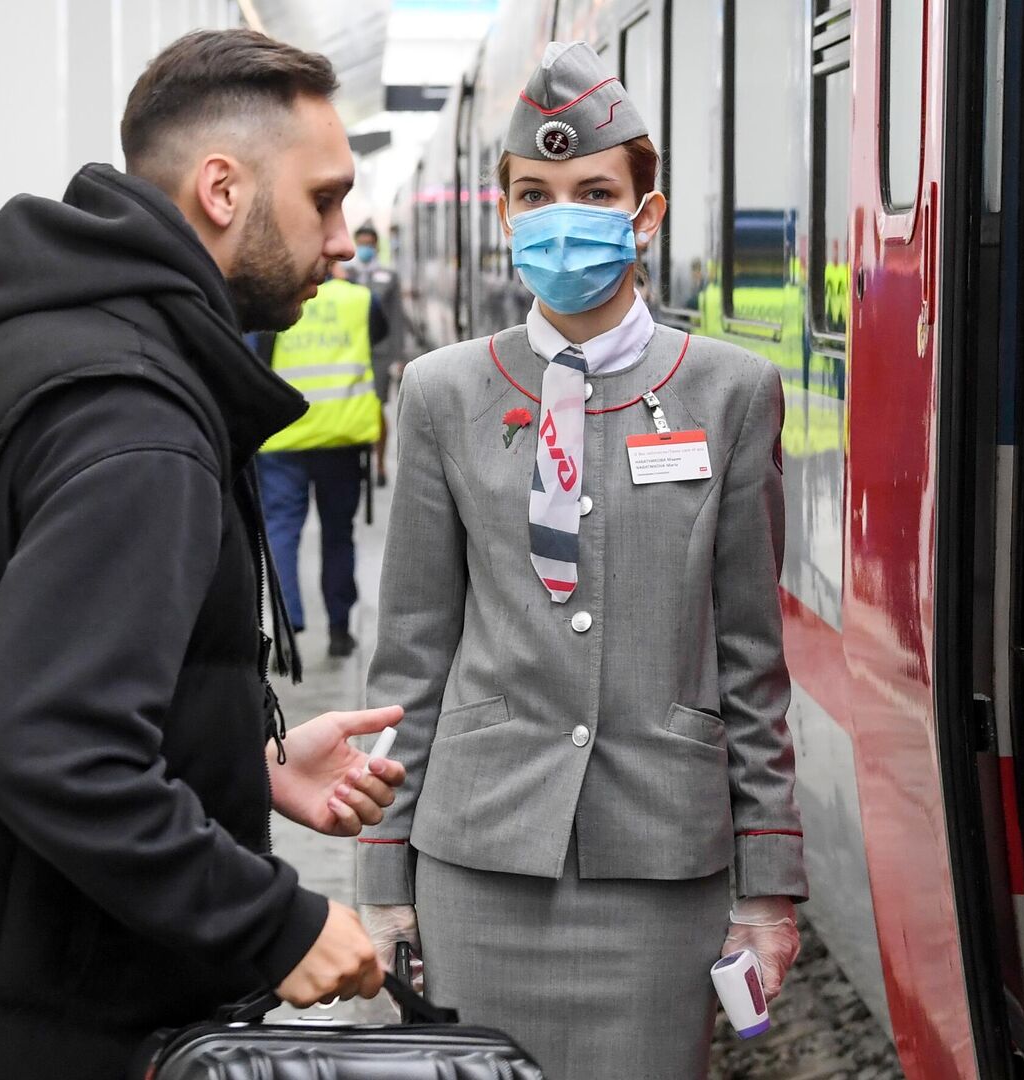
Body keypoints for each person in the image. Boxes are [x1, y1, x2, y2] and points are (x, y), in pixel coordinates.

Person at [0, 31, 409, 1080]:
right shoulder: (134, 422)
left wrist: (245, 756)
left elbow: (20, 660)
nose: (344, 241)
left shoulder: (44, 337)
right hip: (43, 1020)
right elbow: (50, 749)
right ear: (222, 189)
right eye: (323, 200)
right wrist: (276, 923)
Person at [356, 42, 805, 1080]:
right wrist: (384, 877)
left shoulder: (729, 392)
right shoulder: (441, 393)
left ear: (644, 218)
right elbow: (411, 658)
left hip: (660, 865)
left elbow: (751, 656)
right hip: (477, 858)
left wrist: (768, 886)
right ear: (507, 217)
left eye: (594, 192)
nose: (565, 216)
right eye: (537, 194)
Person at [253, 267, 390, 657]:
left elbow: (256, 357)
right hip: (340, 435)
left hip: (282, 434)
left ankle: (285, 623)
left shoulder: (272, 295)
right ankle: (339, 629)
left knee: (280, 529)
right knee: (337, 533)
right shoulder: (360, 299)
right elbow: (377, 338)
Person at [345, 223, 406, 487]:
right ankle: (355, 461)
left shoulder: (388, 277)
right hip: (349, 352)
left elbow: (396, 319)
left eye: (370, 244)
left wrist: (399, 356)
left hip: (379, 354)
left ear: (376, 246)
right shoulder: (344, 274)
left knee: (378, 407)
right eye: (361, 243)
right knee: (350, 408)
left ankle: (379, 463)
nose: (365, 248)